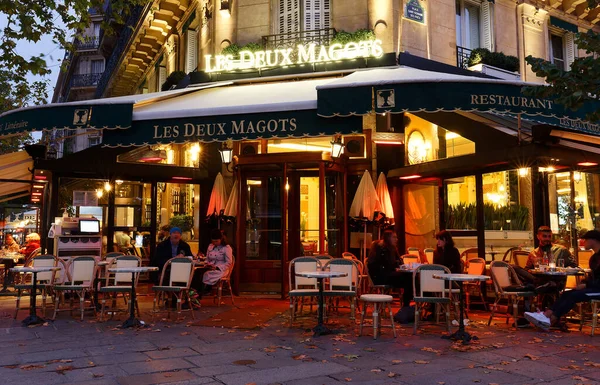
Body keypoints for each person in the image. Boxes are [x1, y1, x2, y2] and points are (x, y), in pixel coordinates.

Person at [525, 229, 600, 331]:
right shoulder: (594, 258)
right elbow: (593, 276)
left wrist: (587, 285)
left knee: (573, 296)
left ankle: (549, 319)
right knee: (566, 294)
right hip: (594, 287)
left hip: (597, 290)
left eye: (585, 240)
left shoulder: (596, 258)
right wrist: (584, 283)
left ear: (593, 240)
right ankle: (548, 317)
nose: (583, 242)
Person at [367, 230, 413, 319]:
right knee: (408, 279)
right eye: (394, 237)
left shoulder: (393, 248)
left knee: (411, 278)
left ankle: (409, 302)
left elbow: (399, 262)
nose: (397, 239)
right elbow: (378, 265)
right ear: (388, 238)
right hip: (381, 277)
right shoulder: (380, 248)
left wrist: (399, 266)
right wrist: (394, 268)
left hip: (389, 274)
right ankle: (407, 304)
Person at [194, 229, 233, 296]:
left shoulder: (226, 248)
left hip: (221, 269)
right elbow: (207, 258)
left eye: (217, 241)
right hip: (210, 266)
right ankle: (195, 292)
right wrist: (206, 263)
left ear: (221, 239)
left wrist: (217, 267)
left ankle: (201, 292)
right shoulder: (210, 246)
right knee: (197, 272)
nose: (215, 243)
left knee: (206, 274)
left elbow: (229, 262)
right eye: (213, 241)